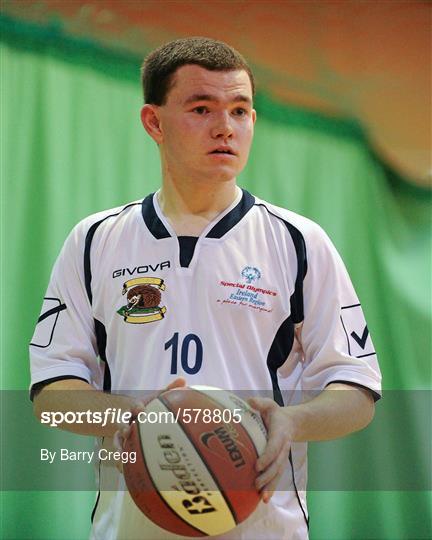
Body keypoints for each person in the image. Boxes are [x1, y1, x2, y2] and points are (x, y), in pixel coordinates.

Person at [30, 37, 381, 540]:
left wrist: (291, 422)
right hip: (131, 528)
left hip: (265, 528)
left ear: (254, 121)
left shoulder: (300, 242)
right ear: (154, 122)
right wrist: (134, 418)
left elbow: (357, 391)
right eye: (201, 108)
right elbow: (52, 395)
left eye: (240, 111)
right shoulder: (94, 241)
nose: (225, 127)